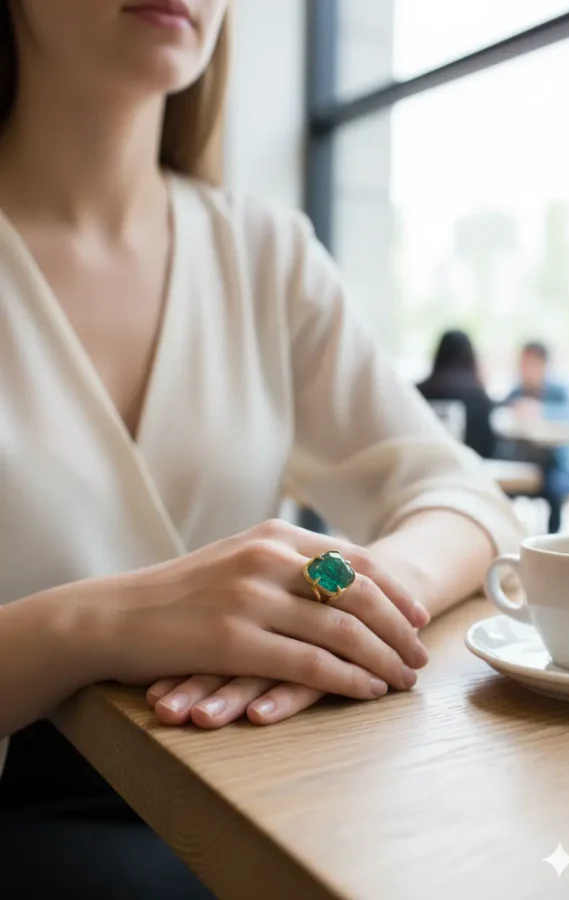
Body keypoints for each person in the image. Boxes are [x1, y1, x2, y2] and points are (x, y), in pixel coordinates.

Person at [0, 1, 521, 896]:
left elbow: (462, 498)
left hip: (263, 799)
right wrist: (95, 624)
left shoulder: (264, 253)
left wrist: (333, 604)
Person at [503, 341, 569, 533]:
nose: (523, 368)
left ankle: (551, 542)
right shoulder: (516, 392)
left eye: (529, 362)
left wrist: (540, 411)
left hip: (559, 466)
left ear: (542, 363)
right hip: (525, 464)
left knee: (554, 490)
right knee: (501, 490)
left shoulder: (559, 391)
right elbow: (500, 417)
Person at [417, 330, 496, 458]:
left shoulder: (417, 392)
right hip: (469, 470)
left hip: (424, 469)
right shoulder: (478, 397)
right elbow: (488, 447)